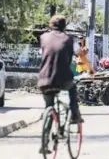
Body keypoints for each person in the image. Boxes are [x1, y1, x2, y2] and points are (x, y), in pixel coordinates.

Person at [38, 15, 84, 154]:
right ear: (64, 26)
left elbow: (43, 52)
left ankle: (44, 144)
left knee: (49, 107)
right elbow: (78, 53)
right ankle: (74, 116)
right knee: (72, 90)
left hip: (44, 79)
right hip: (63, 79)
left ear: (51, 25)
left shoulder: (43, 38)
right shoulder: (70, 39)